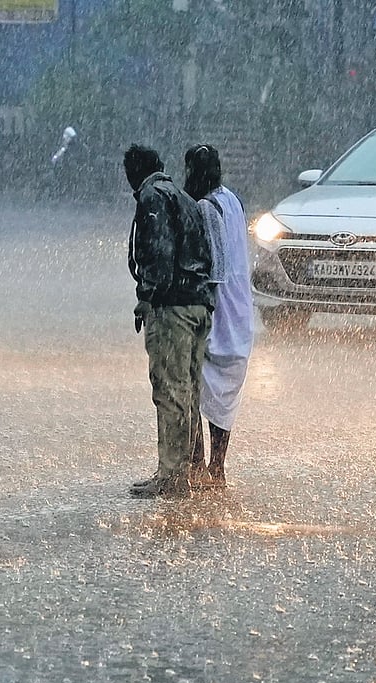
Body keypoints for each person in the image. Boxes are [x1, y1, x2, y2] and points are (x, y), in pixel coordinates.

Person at [124, 144, 215, 499]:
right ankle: (188, 470)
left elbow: (160, 255)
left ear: (132, 173)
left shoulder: (152, 198)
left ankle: (172, 476)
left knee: (169, 391)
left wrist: (146, 298)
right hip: (198, 306)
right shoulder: (184, 197)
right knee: (189, 391)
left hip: (172, 310)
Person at [182, 143, 254, 487]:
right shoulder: (232, 200)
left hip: (219, 309)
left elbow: (216, 267)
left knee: (194, 386)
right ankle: (218, 467)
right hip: (240, 309)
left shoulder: (205, 206)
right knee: (225, 395)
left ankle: (199, 464)